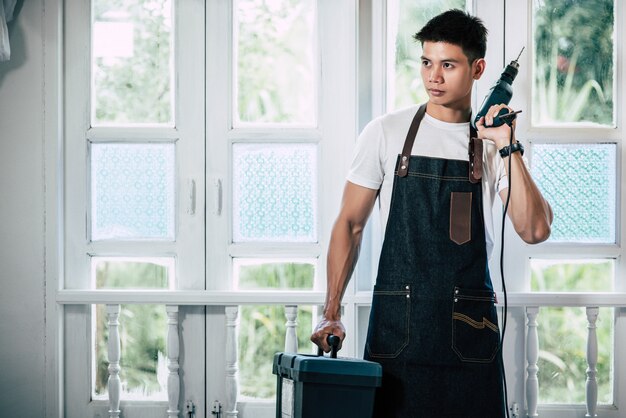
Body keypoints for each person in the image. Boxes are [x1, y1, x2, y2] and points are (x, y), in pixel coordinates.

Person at [310, 9, 553, 418]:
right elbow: (350, 225)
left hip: (470, 336)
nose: (433, 77)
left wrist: (507, 143)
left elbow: (534, 229)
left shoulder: (492, 145)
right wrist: (330, 312)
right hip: (397, 334)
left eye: (448, 65)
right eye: (426, 62)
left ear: (478, 69)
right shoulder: (386, 132)